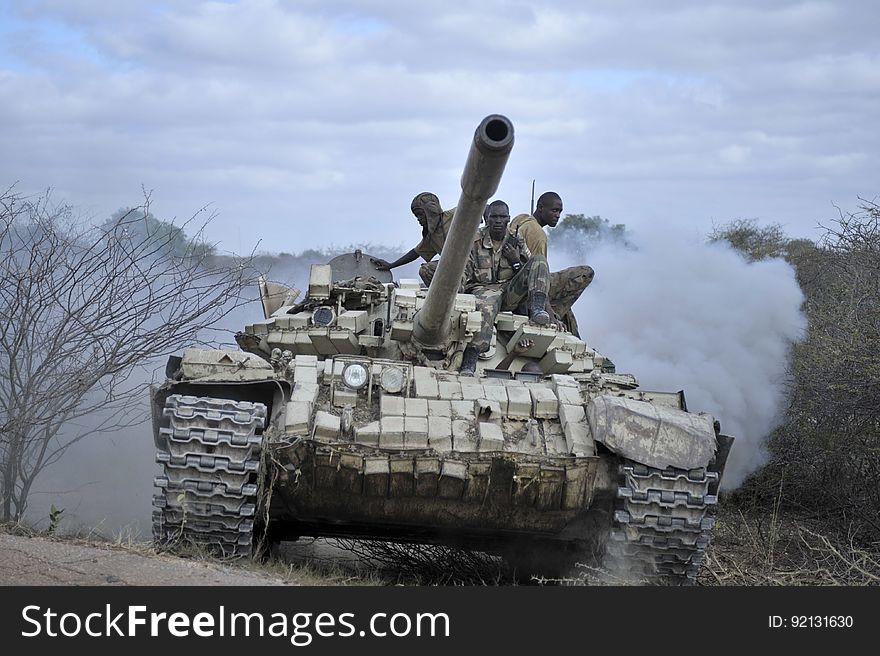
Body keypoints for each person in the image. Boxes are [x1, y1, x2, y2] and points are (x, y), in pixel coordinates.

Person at [459, 200, 550, 376]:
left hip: (509, 290)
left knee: (539, 261)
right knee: (485, 307)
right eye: (494, 217)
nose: (498, 221)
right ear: (487, 219)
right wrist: (457, 293)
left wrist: (516, 261)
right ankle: (471, 358)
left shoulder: (516, 240)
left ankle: (537, 308)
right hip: (482, 289)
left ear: (509, 219)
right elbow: (463, 269)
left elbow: (528, 268)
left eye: (502, 217)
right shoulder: (475, 240)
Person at [509, 191, 594, 337]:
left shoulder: (522, 219)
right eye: (554, 210)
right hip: (526, 284)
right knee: (585, 273)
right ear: (541, 208)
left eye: (560, 211)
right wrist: (549, 311)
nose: (558, 215)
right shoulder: (538, 235)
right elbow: (539, 278)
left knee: (569, 312)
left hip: (516, 280)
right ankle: (555, 316)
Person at [371, 192, 454, 286]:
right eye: (416, 216)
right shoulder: (431, 236)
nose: (418, 219)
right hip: (454, 267)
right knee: (426, 270)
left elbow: (472, 205)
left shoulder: (455, 216)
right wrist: (391, 265)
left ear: (431, 210)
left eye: (420, 214)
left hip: (470, 262)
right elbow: (416, 252)